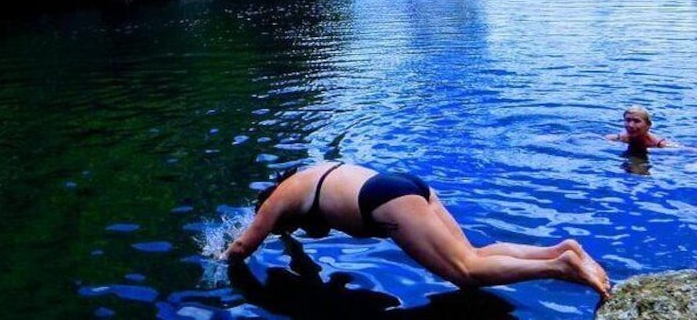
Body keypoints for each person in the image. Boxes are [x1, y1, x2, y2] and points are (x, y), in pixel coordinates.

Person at [223, 162, 611, 299]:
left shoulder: (278, 200)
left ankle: (560, 267)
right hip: (405, 184)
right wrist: (290, 243)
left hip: (382, 202)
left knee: (465, 274)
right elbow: (308, 241)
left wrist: (216, 260)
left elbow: (243, 246)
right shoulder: (306, 178)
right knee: (473, 253)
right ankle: (562, 249)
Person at [605, 105, 676, 155]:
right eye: (628, 120)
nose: (630, 125)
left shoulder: (661, 145)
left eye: (636, 121)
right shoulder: (614, 138)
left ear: (648, 125)